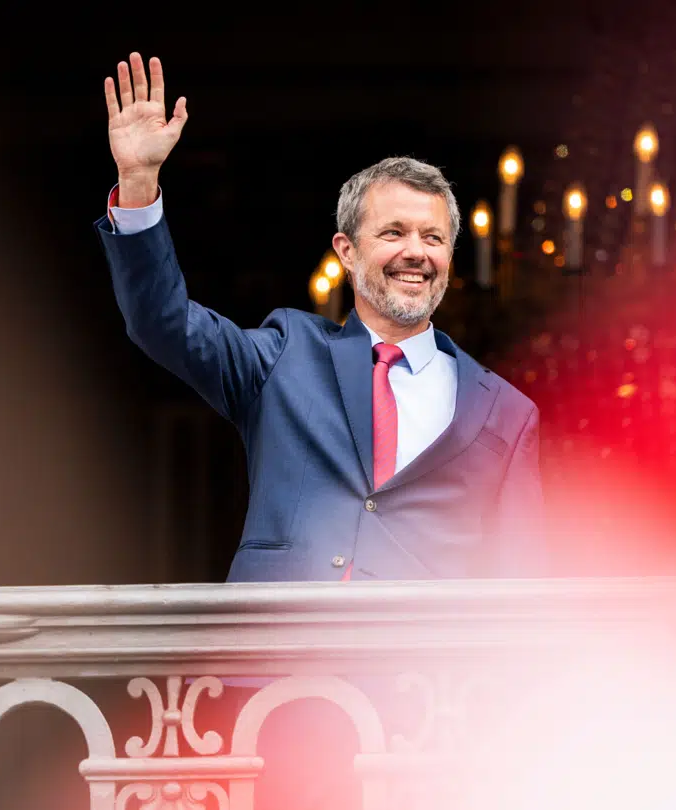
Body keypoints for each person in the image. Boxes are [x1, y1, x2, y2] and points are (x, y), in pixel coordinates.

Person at [94, 53, 547, 585]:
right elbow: (161, 322)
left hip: (421, 665)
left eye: (433, 238)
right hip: (280, 657)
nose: (416, 252)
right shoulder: (284, 353)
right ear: (347, 251)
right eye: (393, 233)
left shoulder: (508, 414)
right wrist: (139, 180)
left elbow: (524, 585)